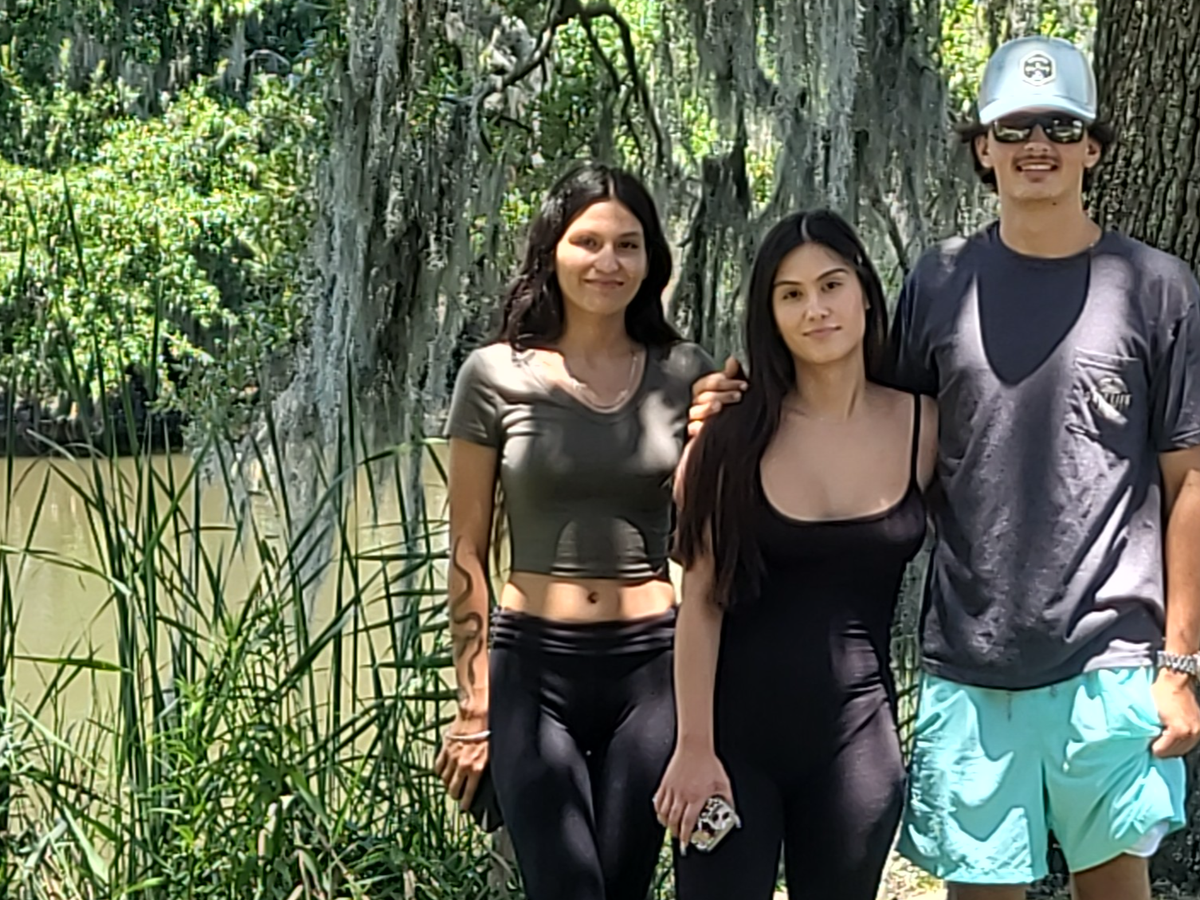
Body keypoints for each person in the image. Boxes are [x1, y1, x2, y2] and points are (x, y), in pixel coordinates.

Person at [688, 36, 1200, 900]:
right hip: (968, 662)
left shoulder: (1156, 287)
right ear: (983, 148)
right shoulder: (940, 279)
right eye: (1014, 128)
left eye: (1060, 126)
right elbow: (865, 418)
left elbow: (1189, 483)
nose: (1037, 145)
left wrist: (1181, 665)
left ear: (1092, 147)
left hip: (1111, 657)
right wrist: (737, 407)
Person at [434, 161, 714, 900]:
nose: (607, 262)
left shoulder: (685, 373)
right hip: (533, 669)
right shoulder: (494, 376)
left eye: (628, 245)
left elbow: (709, 535)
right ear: (551, 252)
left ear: (651, 260)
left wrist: (725, 424)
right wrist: (474, 701)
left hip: (650, 669)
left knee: (622, 888)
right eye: (587, 242)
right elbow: (466, 549)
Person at [653, 209, 937, 899]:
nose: (816, 309)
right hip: (731, 746)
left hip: (857, 743)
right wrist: (693, 747)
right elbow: (699, 603)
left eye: (831, 285)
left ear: (865, 291)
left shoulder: (924, 426)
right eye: (791, 294)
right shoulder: (730, 437)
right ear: (770, 314)